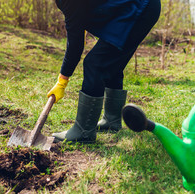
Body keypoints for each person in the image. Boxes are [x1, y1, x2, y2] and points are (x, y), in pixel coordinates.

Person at [47, 0, 161, 143]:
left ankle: (84, 132)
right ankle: (111, 121)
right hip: (140, 7)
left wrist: (62, 81)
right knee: (112, 63)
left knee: (95, 64)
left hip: (139, 8)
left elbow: (75, 43)